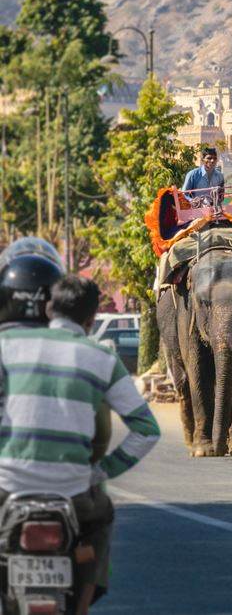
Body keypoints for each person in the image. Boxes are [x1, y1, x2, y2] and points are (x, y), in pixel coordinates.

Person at [0, 257, 160, 613]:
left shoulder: (6, 346)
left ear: (48, 308)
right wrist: (99, 473)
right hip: (73, 490)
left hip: (6, 485)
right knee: (100, 520)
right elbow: (147, 431)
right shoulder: (101, 357)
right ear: (90, 321)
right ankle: (82, 605)